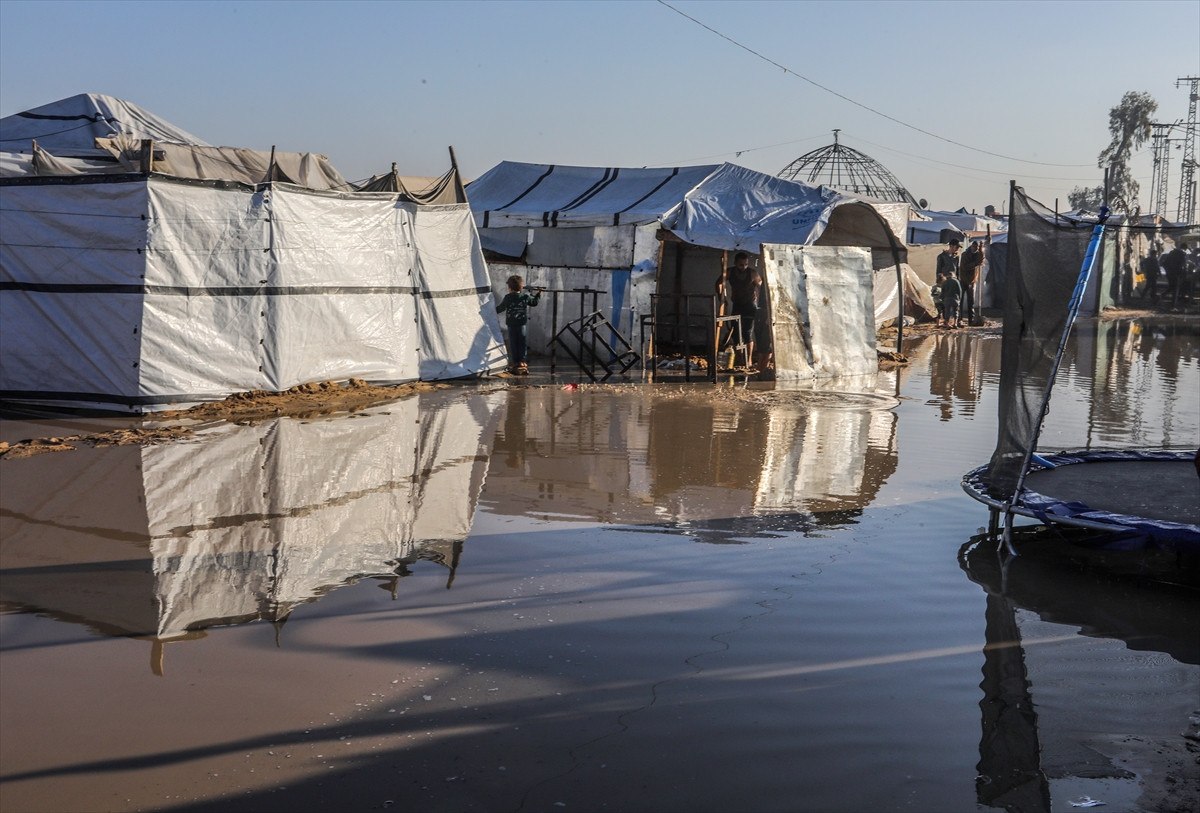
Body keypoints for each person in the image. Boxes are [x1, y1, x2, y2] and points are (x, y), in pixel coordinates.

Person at [716, 251, 762, 369]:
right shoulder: (730, 272)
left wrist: (759, 300)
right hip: (737, 305)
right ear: (735, 263)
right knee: (736, 333)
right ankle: (740, 358)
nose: (743, 267)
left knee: (747, 333)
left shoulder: (752, 273)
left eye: (746, 264)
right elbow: (719, 283)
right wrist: (722, 297)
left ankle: (749, 359)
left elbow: (761, 286)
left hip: (750, 306)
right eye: (741, 265)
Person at [495, 274, 541, 374]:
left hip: (511, 324)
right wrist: (537, 294)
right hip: (521, 324)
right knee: (522, 342)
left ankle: (516, 362)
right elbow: (534, 303)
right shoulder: (525, 297)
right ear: (521, 287)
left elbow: (500, 308)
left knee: (513, 343)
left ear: (509, 288)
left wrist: (490, 311)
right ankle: (523, 361)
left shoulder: (508, 297)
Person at [936, 238, 962, 325]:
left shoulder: (956, 257)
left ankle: (954, 320)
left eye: (958, 247)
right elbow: (938, 270)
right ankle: (944, 320)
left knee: (954, 301)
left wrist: (958, 279)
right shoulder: (942, 256)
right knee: (944, 300)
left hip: (954, 282)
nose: (957, 249)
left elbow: (957, 270)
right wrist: (939, 280)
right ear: (951, 246)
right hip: (944, 281)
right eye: (956, 247)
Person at [958, 240, 984, 325]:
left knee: (971, 301)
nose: (974, 248)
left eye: (976, 247)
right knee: (960, 300)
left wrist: (981, 250)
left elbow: (981, 259)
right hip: (963, 279)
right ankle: (959, 319)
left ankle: (971, 320)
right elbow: (965, 267)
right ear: (971, 246)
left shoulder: (977, 254)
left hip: (972, 280)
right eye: (974, 246)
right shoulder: (965, 255)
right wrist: (975, 263)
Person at [1160, 242, 1188, 307]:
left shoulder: (1172, 252)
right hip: (1176, 273)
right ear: (1185, 248)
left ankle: (1160, 297)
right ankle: (1173, 305)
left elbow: (1164, 263)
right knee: (1175, 288)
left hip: (1170, 273)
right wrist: (1183, 271)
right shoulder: (1182, 253)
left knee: (1171, 287)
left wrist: (1168, 271)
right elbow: (1183, 265)